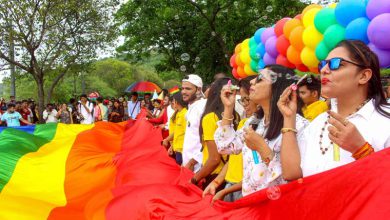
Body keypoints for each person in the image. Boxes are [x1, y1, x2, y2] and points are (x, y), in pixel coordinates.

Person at [278, 40, 390, 181]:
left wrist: (361, 150)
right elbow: (292, 173)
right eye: (323, 64)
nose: (324, 70)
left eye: (336, 63)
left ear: (363, 76)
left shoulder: (385, 121)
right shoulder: (318, 122)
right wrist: (289, 117)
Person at [214, 65, 309, 198]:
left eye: (260, 79)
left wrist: (263, 149)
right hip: (252, 206)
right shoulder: (254, 122)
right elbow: (225, 146)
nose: (252, 81)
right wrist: (228, 107)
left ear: (278, 87)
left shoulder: (299, 126)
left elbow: (295, 178)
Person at [203, 75, 256, 202]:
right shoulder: (245, 123)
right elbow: (229, 152)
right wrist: (217, 182)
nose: (245, 105)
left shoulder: (264, 126)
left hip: (247, 189)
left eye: (247, 99)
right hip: (230, 184)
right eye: (242, 100)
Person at [190, 78, 237, 189]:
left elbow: (214, 159)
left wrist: (194, 179)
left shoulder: (210, 118)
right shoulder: (235, 115)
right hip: (230, 174)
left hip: (215, 177)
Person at [182, 74, 207, 173]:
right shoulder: (191, 107)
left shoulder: (202, 106)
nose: (183, 91)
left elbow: (207, 139)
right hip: (188, 166)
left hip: (198, 167)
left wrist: (193, 162)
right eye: (182, 88)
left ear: (198, 90)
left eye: (188, 89)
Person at [163, 92, 188, 165]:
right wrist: (172, 146)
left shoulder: (185, 114)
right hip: (177, 147)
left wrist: (167, 140)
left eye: (173, 101)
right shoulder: (179, 114)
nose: (172, 104)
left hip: (182, 149)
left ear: (177, 102)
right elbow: (177, 132)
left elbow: (185, 133)